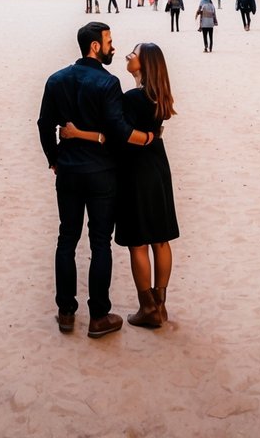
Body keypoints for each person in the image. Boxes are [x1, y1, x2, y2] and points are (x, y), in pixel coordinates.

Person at [37, 22, 155, 338]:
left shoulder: (56, 79)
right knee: (100, 242)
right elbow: (118, 130)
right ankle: (99, 316)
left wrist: (54, 159)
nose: (113, 47)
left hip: (68, 171)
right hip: (102, 173)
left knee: (67, 239)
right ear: (95, 47)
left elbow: (44, 124)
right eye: (109, 42)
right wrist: (147, 138)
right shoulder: (108, 82)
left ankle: (66, 312)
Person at [60, 42, 178, 329]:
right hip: (158, 168)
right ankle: (160, 305)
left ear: (144, 64)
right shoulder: (160, 96)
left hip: (135, 171)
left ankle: (147, 308)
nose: (127, 56)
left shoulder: (133, 98)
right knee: (160, 239)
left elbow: (115, 135)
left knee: (138, 242)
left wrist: (78, 133)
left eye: (133, 54)